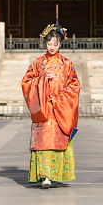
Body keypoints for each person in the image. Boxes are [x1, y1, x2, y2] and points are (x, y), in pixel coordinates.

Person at [22, 24, 80, 189]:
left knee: (58, 140)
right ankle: (45, 176)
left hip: (60, 110)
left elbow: (74, 86)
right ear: (45, 44)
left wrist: (59, 99)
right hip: (44, 110)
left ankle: (56, 175)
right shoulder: (38, 64)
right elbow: (26, 82)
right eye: (49, 44)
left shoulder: (67, 64)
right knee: (44, 142)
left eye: (55, 44)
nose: (52, 47)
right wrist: (41, 79)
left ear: (60, 44)